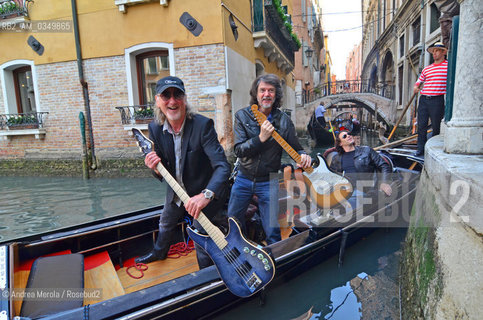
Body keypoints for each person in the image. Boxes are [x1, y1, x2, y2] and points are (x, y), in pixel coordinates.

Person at [135, 76, 231, 268]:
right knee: (165, 222)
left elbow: (222, 166)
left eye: (177, 94)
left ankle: (206, 275)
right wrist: (155, 168)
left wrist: (206, 195)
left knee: (199, 231)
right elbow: (163, 172)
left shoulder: (202, 126)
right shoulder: (154, 128)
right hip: (178, 192)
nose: (172, 101)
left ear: (185, 99)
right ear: (158, 101)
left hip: (203, 193)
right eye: (166, 95)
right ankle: (159, 253)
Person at [228, 74, 311, 245]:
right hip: (243, 178)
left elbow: (297, 148)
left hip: (269, 181)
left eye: (271, 91)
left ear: (276, 95)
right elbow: (239, 151)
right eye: (262, 90)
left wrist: (303, 155)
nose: (266, 94)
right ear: (256, 94)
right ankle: (239, 250)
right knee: (233, 221)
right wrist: (261, 138)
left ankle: (276, 261)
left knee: (272, 231)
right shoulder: (242, 116)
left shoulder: (284, 121)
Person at [329, 130, 392, 210]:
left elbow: (384, 165)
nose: (348, 136)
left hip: (366, 190)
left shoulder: (366, 150)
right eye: (344, 136)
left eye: (349, 134)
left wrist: (384, 182)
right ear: (340, 143)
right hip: (346, 190)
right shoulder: (336, 158)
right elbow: (332, 176)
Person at [413, 42, 448, 157]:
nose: (434, 53)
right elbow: (418, 82)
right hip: (423, 100)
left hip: (437, 101)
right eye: (433, 51)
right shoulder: (427, 69)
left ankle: (434, 149)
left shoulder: (448, 66)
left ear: (443, 52)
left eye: (437, 51)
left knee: (436, 125)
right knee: (421, 125)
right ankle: (420, 149)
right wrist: (416, 87)